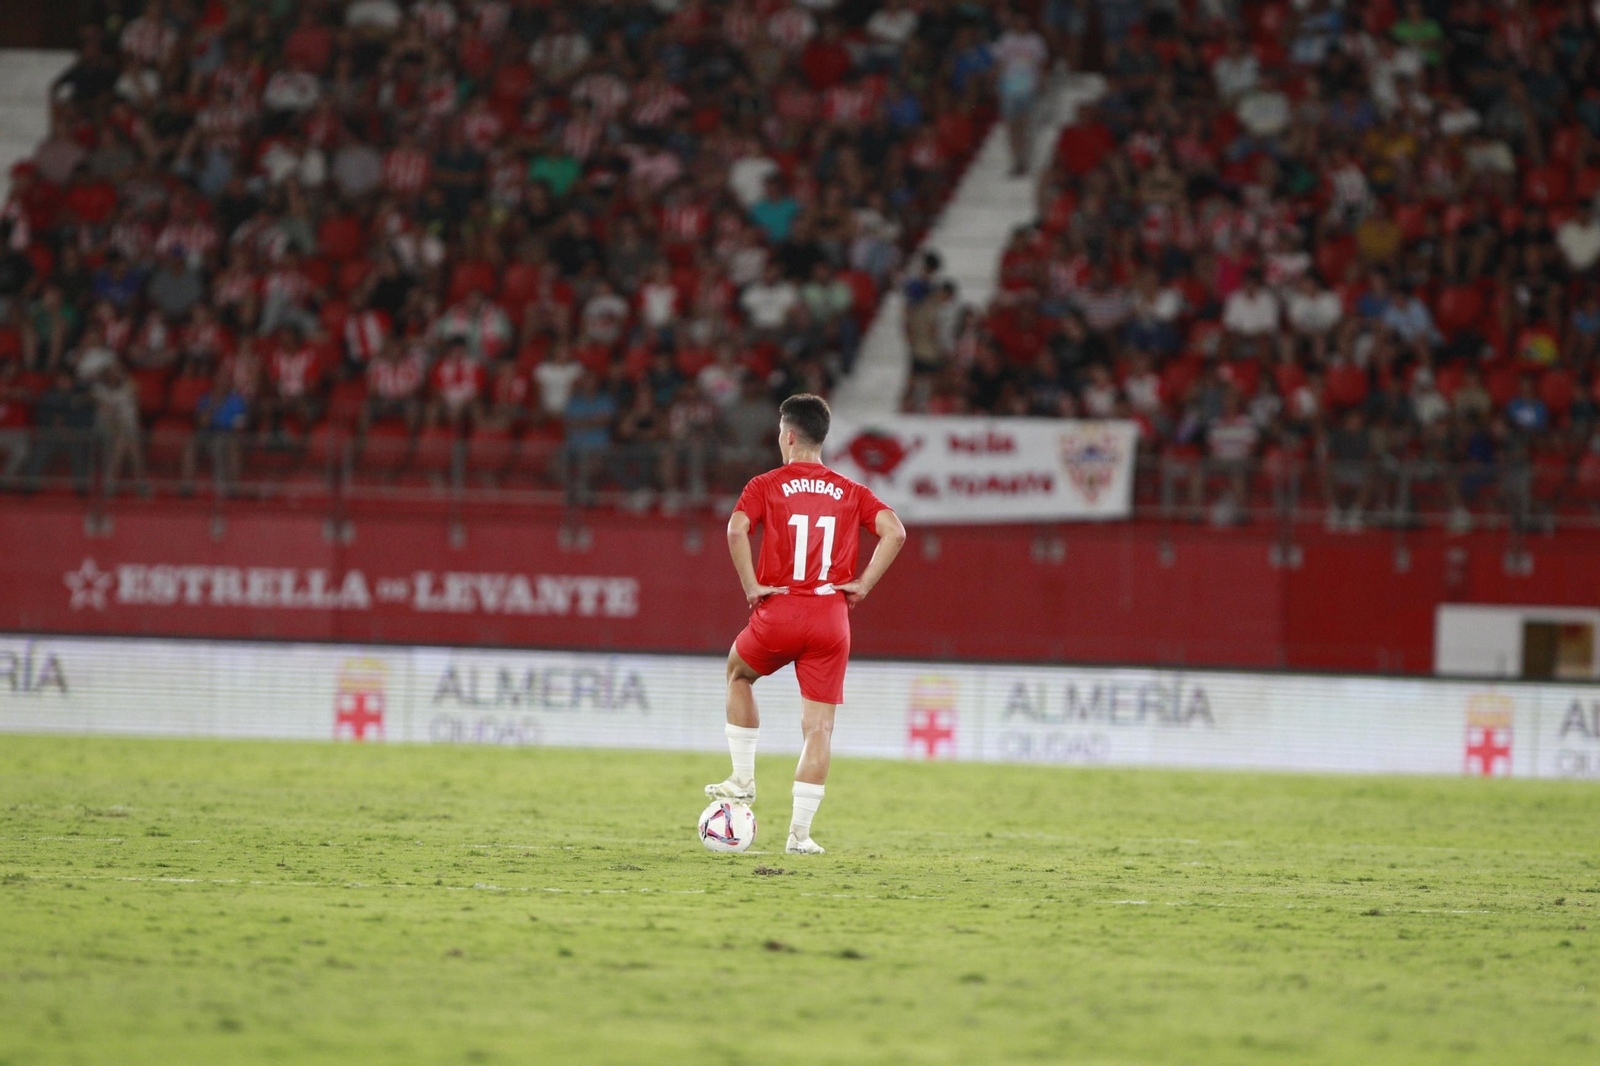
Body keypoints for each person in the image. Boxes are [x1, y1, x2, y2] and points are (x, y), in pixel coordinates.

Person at [707, 393, 907, 855]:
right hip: (830, 616)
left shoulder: (765, 484)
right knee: (819, 730)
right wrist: (863, 585)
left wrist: (752, 585)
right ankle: (799, 836)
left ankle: (742, 779)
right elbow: (895, 531)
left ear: (789, 435)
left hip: (780, 608)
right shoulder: (851, 490)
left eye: (780, 432)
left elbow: (737, 529)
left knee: (739, 673)